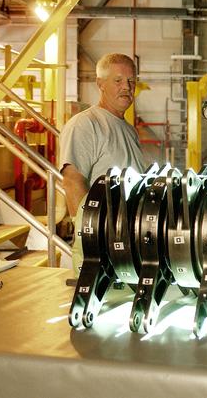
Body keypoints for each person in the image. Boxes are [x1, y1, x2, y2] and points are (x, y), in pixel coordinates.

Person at [60, 53, 147, 274]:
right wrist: (90, 240)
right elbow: (72, 181)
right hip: (102, 246)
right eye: (117, 81)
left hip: (128, 241)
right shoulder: (86, 124)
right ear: (100, 84)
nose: (126, 87)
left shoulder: (127, 129)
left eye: (131, 81)